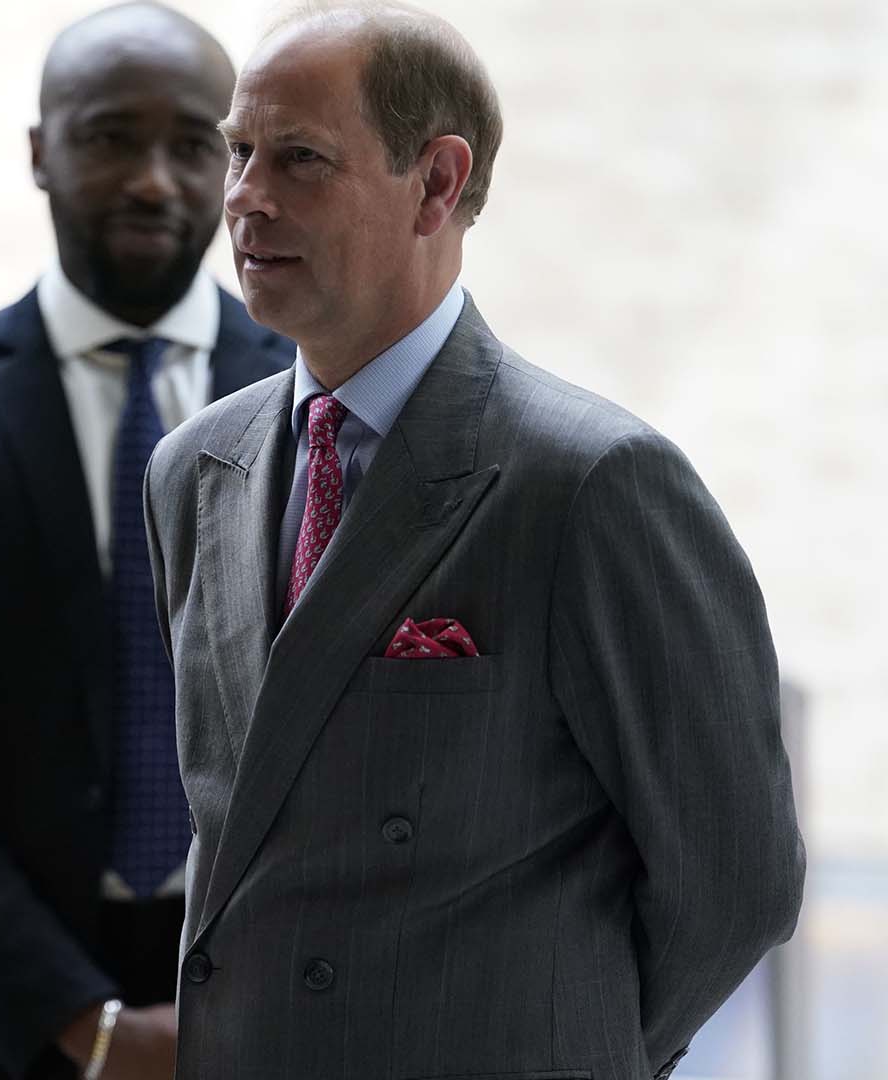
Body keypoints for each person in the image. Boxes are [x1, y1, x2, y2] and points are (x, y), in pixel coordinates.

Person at [142, 5, 806, 1078]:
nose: (245, 199)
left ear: (438, 185)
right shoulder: (193, 469)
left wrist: (567, 1047)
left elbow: (736, 881)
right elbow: (240, 835)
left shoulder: (593, 481)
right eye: (241, 151)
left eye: (301, 158)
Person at [0, 5, 291, 1079]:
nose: (155, 180)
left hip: (283, 1007)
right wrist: (82, 1023)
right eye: (112, 136)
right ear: (40, 150)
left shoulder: (322, 397)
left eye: (193, 146)